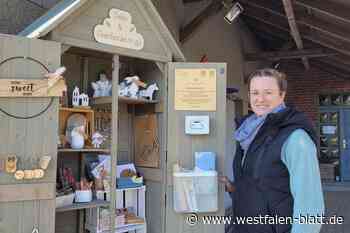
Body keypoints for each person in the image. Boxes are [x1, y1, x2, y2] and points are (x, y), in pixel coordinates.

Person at [220, 68, 324, 233]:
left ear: (282, 95)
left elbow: (309, 204)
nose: (260, 99)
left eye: (268, 92)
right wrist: (234, 188)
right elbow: (264, 183)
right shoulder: (248, 133)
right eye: (255, 93)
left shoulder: (296, 138)